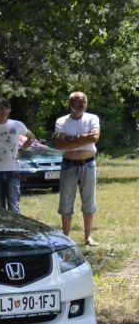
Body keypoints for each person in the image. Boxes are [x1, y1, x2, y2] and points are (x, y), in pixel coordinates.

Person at [55, 91, 100, 246]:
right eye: (77, 102)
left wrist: (70, 139)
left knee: (89, 201)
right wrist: (83, 138)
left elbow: (94, 138)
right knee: (66, 202)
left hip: (88, 164)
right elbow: (60, 144)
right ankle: (66, 236)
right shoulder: (61, 121)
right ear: (70, 104)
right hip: (68, 165)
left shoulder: (92, 118)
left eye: (84, 102)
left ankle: (88, 237)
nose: (82, 105)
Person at [0, 98, 35, 213]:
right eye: (0, 108)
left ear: (9, 110)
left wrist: (21, 149)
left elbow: (31, 137)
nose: (3, 111)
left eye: (6, 108)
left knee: (14, 207)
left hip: (13, 170)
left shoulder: (17, 125)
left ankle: (17, 231)